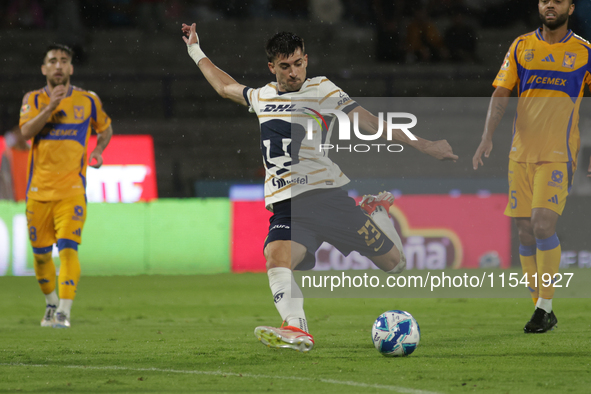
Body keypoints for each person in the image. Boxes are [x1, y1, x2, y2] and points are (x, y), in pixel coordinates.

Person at [182, 23, 457, 352]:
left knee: (395, 265)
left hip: (326, 197)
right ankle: (297, 329)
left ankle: (377, 212)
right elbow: (225, 87)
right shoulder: (262, 96)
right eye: (285, 66)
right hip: (288, 205)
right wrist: (194, 50)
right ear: (272, 67)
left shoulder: (322, 89)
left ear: (306, 61)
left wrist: (424, 144)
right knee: (276, 258)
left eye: (298, 63)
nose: (294, 71)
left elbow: (369, 122)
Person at [473, 0, 591, 334]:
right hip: (519, 155)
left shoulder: (585, 52)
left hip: (557, 155)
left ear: (571, 5)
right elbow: (500, 93)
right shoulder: (521, 46)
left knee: (541, 225)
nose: (549, 4)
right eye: (543, 0)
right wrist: (487, 137)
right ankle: (541, 305)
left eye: (556, 0)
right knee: (524, 231)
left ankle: (544, 307)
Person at [19, 44, 113, 328]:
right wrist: (50, 107)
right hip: (38, 191)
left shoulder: (88, 100)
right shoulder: (33, 99)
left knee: (69, 249)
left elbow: (105, 129)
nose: (58, 65)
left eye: (63, 61)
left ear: (71, 68)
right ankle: (50, 303)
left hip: (72, 190)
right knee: (40, 255)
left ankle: (64, 311)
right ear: (44, 69)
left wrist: (98, 152)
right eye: (52, 61)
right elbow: (25, 132)